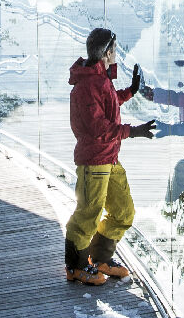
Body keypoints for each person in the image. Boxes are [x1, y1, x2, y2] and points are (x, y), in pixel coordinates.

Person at [64, 27, 156, 286]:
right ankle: (76, 266)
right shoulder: (87, 84)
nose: (117, 54)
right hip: (94, 161)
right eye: (114, 50)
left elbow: (108, 101)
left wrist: (131, 91)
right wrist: (132, 131)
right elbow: (98, 127)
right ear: (105, 53)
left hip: (109, 158)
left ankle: (99, 257)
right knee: (88, 214)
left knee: (123, 211)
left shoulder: (99, 80)